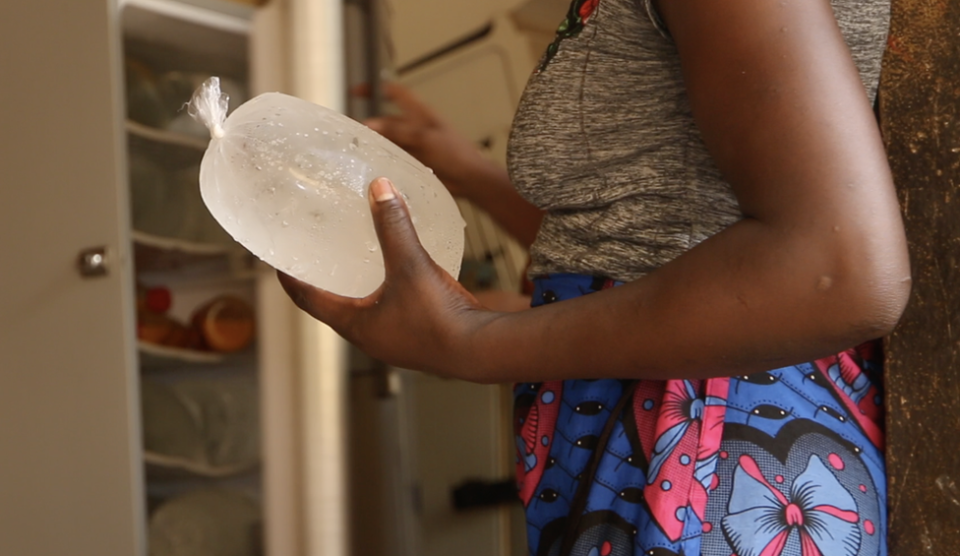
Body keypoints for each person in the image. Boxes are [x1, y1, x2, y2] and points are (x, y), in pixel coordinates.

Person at [279, 0, 911, 554]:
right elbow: (650, 237)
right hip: (670, 433)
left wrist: (470, 342)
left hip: (708, 455)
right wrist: (470, 178)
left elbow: (836, 275)